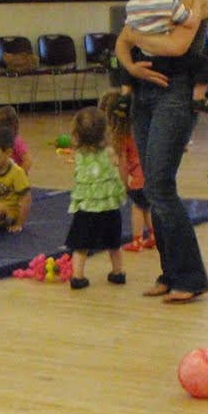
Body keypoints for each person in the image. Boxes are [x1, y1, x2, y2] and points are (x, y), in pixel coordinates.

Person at [114, 0, 208, 303]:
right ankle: (171, 274)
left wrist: (138, 39)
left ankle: (190, 277)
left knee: (157, 183)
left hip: (176, 93)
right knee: (152, 187)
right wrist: (132, 66)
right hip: (145, 92)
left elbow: (177, 47)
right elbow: (120, 43)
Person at [119, 0, 208, 110]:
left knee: (130, 57)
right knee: (202, 61)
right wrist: (195, 8)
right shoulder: (169, 3)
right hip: (166, 64)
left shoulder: (131, 6)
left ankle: (125, 94)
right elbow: (189, 21)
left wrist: (132, 63)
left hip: (147, 62)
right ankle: (199, 98)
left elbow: (128, 36)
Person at [64, 106, 128, 290]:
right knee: (114, 243)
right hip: (108, 206)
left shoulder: (79, 155)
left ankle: (78, 276)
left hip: (87, 207)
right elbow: (118, 165)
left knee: (81, 245)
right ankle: (117, 273)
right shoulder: (109, 153)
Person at [100, 90, 151, 251]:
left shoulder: (122, 137)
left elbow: (123, 165)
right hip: (150, 175)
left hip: (138, 179)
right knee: (147, 207)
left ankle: (137, 240)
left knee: (137, 206)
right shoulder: (140, 130)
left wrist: (124, 185)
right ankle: (155, 235)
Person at [0, 104, 34, 182]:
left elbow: (28, 161)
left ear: (10, 128)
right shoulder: (0, 143)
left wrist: (18, 175)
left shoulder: (16, 142)